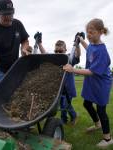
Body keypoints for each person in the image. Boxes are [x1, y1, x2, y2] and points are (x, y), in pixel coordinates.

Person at [63, 18, 113, 148]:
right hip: (93, 81)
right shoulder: (93, 45)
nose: (89, 35)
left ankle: (108, 139)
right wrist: (80, 39)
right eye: (87, 32)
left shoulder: (102, 50)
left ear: (100, 32)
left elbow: (92, 71)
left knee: (101, 109)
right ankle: (97, 124)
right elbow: (89, 49)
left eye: (92, 32)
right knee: (86, 103)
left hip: (102, 83)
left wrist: (73, 69)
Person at [34, 32, 81, 125]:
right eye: (56, 51)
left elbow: (77, 55)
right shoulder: (55, 59)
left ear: (65, 50)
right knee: (61, 105)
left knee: (66, 105)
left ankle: (74, 116)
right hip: (58, 87)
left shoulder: (68, 58)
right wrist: (39, 43)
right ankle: (64, 120)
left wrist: (78, 44)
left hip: (68, 87)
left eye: (61, 51)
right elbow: (45, 54)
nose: (58, 53)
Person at [0, 0, 31, 92]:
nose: (9, 17)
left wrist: (24, 49)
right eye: (5, 14)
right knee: (2, 92)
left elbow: (25, 40)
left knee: (17, 92)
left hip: (14, 66)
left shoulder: (18, 24)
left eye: (10, 14)